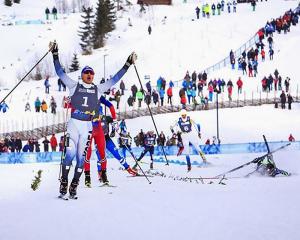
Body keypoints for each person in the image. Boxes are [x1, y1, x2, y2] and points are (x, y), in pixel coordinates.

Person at [50, 41, 137, 198]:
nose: (89, 75)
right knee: (69, 155)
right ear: (82, 75)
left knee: (82, 159)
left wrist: (128, 64)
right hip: (74, 124)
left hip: (87, 127)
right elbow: (60, 73)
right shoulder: (73, 85)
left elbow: (115, 79)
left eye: (91, 73)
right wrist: (55, 54)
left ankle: (74, 185)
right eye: (86, 73)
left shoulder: (98, 89)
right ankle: (64, 182)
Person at [84, 104, 137, 187]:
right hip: (98, 141)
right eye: (98, 113)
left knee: (117, 154)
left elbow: (115, 121)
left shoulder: (106, 118)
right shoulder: (92, 119)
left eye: (101, 113)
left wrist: (115, 128)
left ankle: (128, 169)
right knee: (100, 158)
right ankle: (100, 174)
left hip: (107, 139)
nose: (99, 116)